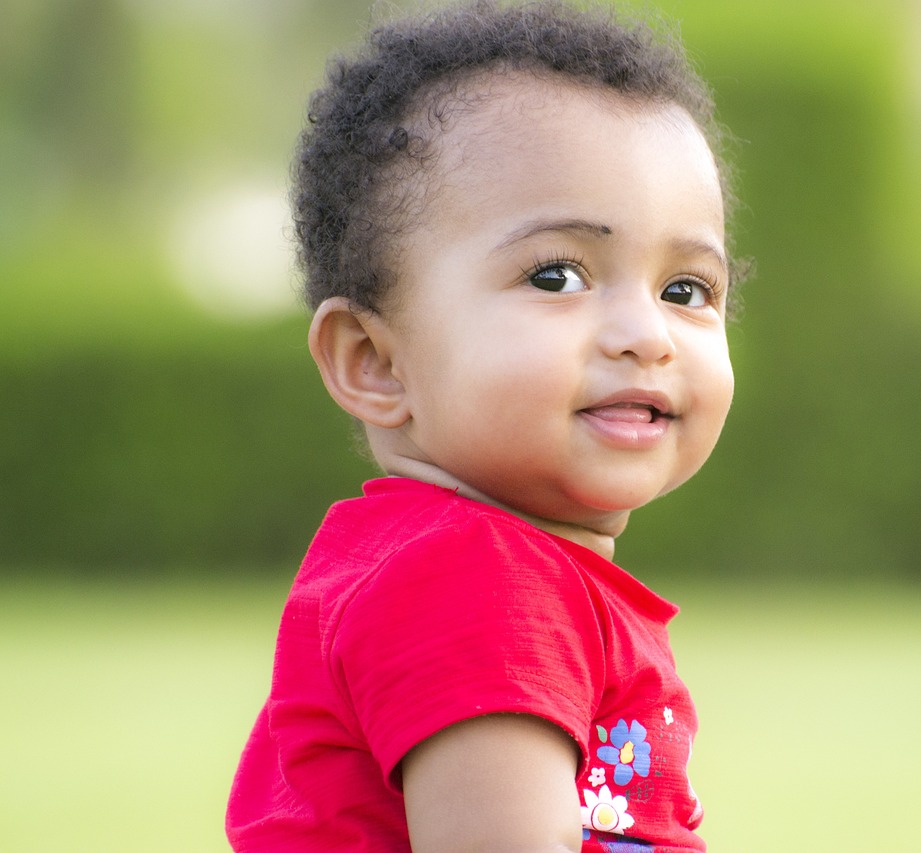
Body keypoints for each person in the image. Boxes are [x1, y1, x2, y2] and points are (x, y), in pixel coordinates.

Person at [226, 1, 745, 850]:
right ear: (375, 361)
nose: (645, 334)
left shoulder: (463, 563)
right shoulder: (476, 582)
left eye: (685, 290)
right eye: (557, 274)